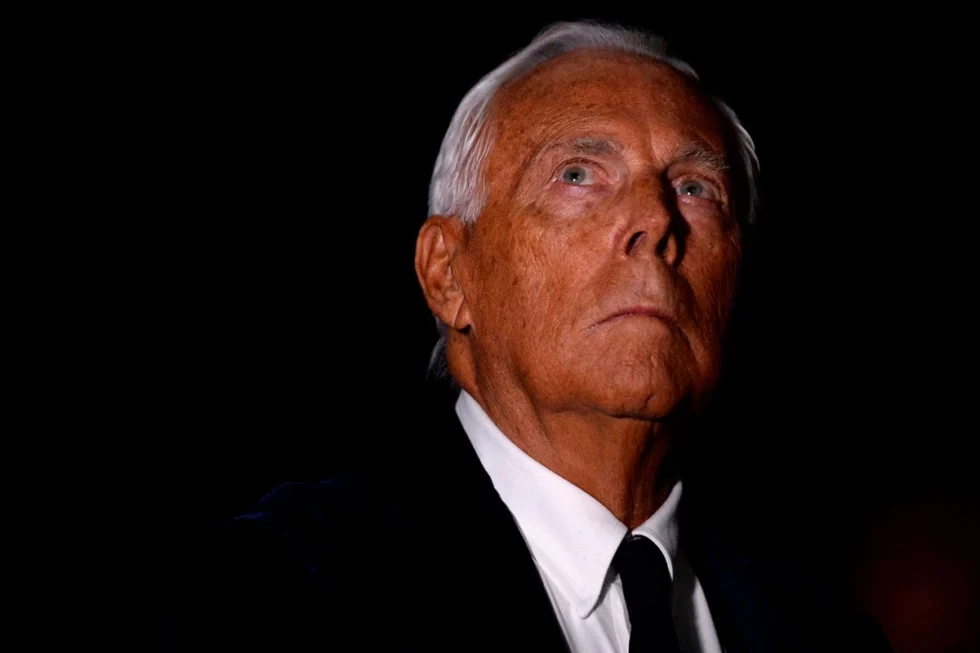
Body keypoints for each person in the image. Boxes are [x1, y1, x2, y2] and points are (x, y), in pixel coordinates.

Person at [164, 21, 892, 652]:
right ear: (448, 274)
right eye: (578, 174)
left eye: (696, 188)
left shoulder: (822, 634)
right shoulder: (285, 586)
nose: (657, 219)